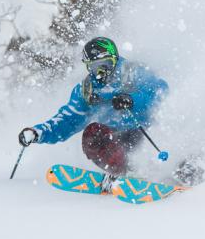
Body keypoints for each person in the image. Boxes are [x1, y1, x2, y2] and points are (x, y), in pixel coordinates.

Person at [18, 37, 168, 186]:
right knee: (93, 132)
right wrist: (39, 132)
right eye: (95, 67)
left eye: (106, 64)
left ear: (115, 59)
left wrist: (132, 99)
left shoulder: (131, 72)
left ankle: (168, 169)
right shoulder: (88, 89)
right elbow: (69, 119)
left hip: (145, 129)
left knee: (144, 141)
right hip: (115, 138)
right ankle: (123, 174)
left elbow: (159, 90)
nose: (101, 72)